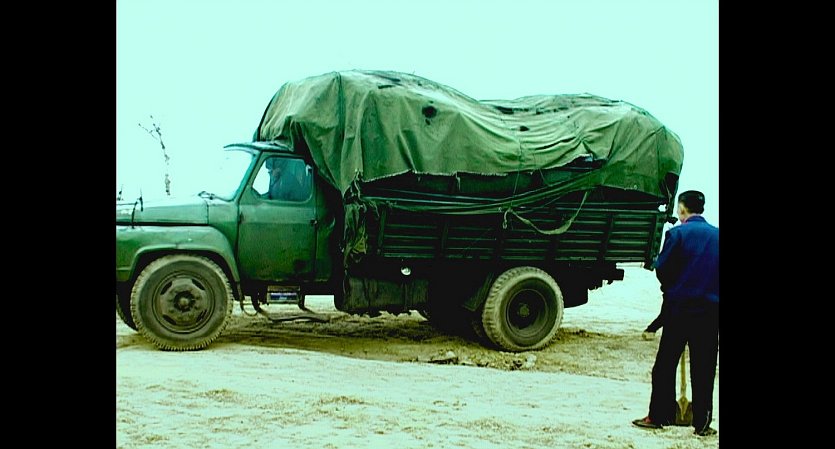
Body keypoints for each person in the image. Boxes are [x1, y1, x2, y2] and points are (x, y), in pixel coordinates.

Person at [632, 190, 719, 437]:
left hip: (678, 310)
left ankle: (659, 416)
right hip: (710, 313)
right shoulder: (717, 236)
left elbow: (662, 269)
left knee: (665, 366)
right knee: (704, 369)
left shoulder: (677, 234)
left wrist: (673, 289)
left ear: (682, 209)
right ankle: (702, 423)